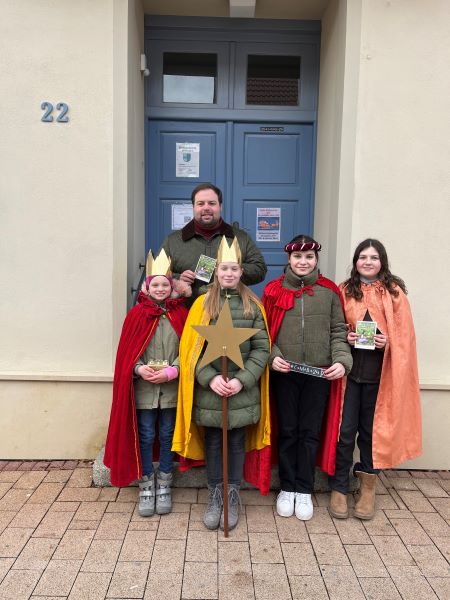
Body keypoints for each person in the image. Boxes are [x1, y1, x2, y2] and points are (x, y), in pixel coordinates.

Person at [172, 236, 271, 531]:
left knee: (236, 441)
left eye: (234, 269)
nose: (229, 274)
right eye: (224, 269)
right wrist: (211, 378)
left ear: (242, 272)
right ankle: (215, 494)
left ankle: (232, 494)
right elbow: (191, 350)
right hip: (211, 391)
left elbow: (261, 349)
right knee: (215, 441)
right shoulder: (203, 304)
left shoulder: (253, 305)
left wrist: (242, 380)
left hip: (241, 391)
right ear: (216, 271)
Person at [329, 239, 422, 520]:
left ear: (382, 261)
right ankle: (339, 486)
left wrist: (387, 342)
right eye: (362, 257)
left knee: (371, 433)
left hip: (379, 378)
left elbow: (405, 337)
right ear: (355, 261)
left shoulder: (394, 294)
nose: (368, 262)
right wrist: (347, 335)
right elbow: (335, 326)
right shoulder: (344, 290)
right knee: (345, 433)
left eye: (374, 257)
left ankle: (368, 485)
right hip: (350, 376)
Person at [262, 234, 353, 521]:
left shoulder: (328, 292)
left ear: (316, 260)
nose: (303, 262)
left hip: (318, 375)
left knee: (309, 432)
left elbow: (339, 331)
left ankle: (304, 489)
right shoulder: (274, 290)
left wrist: (342, 359)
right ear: (288, 259)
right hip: (285, 374)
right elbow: (263, 331)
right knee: (288, 430)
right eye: (298, 257)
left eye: (309, 257)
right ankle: (287, 487)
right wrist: (272, 355)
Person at [104, 249, 190, 517]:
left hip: (171, 389)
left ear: (172, 286)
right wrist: (139, 369)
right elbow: (128, 353)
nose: (161, 289)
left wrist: (173, 371)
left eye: (166, 284)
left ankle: (165, 480)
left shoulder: (181, 314)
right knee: (146, 435)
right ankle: (146, 482)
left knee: (166, 435)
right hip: (143, 390)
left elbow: (188, 351)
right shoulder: (136, 314)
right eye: (156, 284)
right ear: (147, 286)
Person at [161, 182, 267, 304]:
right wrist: (178, 278)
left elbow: (260, 269)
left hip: (230, 313)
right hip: (186, 314)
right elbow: (156, 275)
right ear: (193, 207)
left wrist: (230, 271)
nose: (206, 208)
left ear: (220, 206)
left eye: (212, 203)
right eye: (200, 203)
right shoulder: (173, 240)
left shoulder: (240, 238)